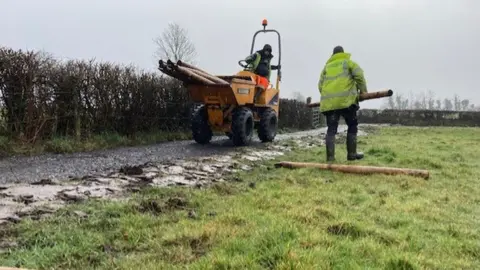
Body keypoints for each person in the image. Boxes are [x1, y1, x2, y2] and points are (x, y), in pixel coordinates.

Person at [318, 45, 368, 162]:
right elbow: (359, 75)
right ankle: (351, 155)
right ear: (342, 53)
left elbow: (320, 85)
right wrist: (363, 91)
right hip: (347, 102)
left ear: (333, 55)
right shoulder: (348, 63)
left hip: (330, 104)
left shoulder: (326, 68)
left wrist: (329, 97)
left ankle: (330, 158)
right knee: (352, 125)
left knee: (331, 129)